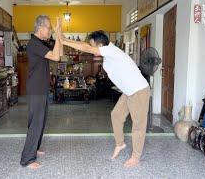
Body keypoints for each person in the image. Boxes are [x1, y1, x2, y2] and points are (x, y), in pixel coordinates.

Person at [59, 30, 150, 168]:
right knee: (116, 115)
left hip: (138, 90)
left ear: (100, 44)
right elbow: (86, 46)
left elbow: (86, 47)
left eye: (92, 45)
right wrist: (65, 39)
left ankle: (136, 157)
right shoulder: (108, 55)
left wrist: (64, 41)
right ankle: (120, 144)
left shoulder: (110, 50)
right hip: (128, 91)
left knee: (138, 125)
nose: (91, 49)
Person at [20, 15, 62, 169]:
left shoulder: (41, 43)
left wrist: (59, 35)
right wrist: (57, 35)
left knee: (41, 121)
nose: (50, 30)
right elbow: (56, 57)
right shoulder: (33, 43)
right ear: (41, 27)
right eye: (49, 28)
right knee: (35, 123)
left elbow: (60, 51)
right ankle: (27, 159)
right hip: (36, 89)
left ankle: (35, 148)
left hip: (41, 88)